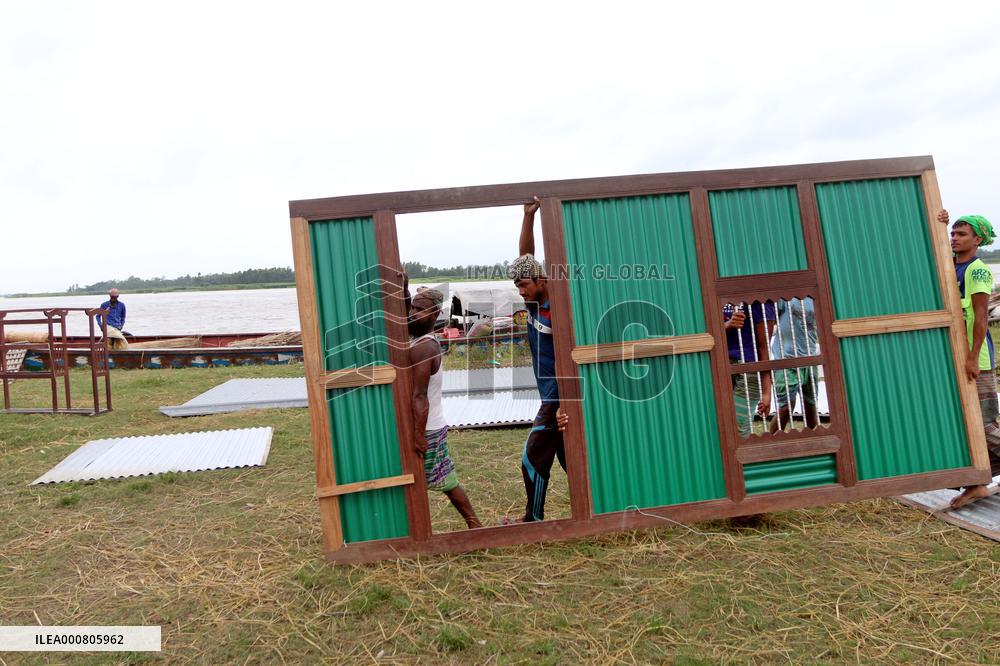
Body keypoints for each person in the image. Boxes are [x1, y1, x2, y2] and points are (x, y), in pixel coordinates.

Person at [506, 197, 569, 523]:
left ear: (542, 281)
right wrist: (528, 216)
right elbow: (525, 259)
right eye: (517, 286)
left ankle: (533, 519)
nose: (521, 291)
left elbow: (567, 359)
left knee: (532, 458)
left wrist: (562, 403)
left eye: (525, 284)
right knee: (570, 459)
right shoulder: (533, 303)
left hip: (558, 396)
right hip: (551, 394)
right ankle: (604, 507)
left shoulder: (557, 307)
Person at [938, 209, 1000, 509]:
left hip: (977, 357)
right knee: (964, 422)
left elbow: (979, 317)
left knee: (985, 424)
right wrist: (939, 219)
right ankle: (977, 484)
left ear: (977, 240)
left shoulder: (977, 270)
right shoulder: (950, 264)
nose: (954, 238)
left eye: (961, 234)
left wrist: (973, 357)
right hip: (955, 353)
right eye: (953, 233)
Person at [408, 287, 481, 528]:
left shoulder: (424, 347)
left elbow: (420, 396)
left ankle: (475, 525)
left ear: (435, 314)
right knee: (438, 479)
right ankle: (474, 525)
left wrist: (418, 435)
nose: (413, 313)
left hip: (426, 427)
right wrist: (403, 285)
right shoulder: (418, 337)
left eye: (421, 310)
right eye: (413, 307)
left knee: (445, 481)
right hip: (428, 423)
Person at [724, 300, 775, 437]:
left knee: (738, 430)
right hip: (722, 368)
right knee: (721, 427)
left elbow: (764, 347)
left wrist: (766, 392)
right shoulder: (719, 296)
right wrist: (727, 325)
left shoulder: (760, 300)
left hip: (748, 372)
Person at [768, 297, 820, 433]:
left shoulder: (815, 295)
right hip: (785, 359)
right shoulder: (785, 296)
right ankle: (771, 443)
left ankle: (813, 442)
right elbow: (770, 317)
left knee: (811, 405)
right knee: (786, 406)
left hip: (810, 358)